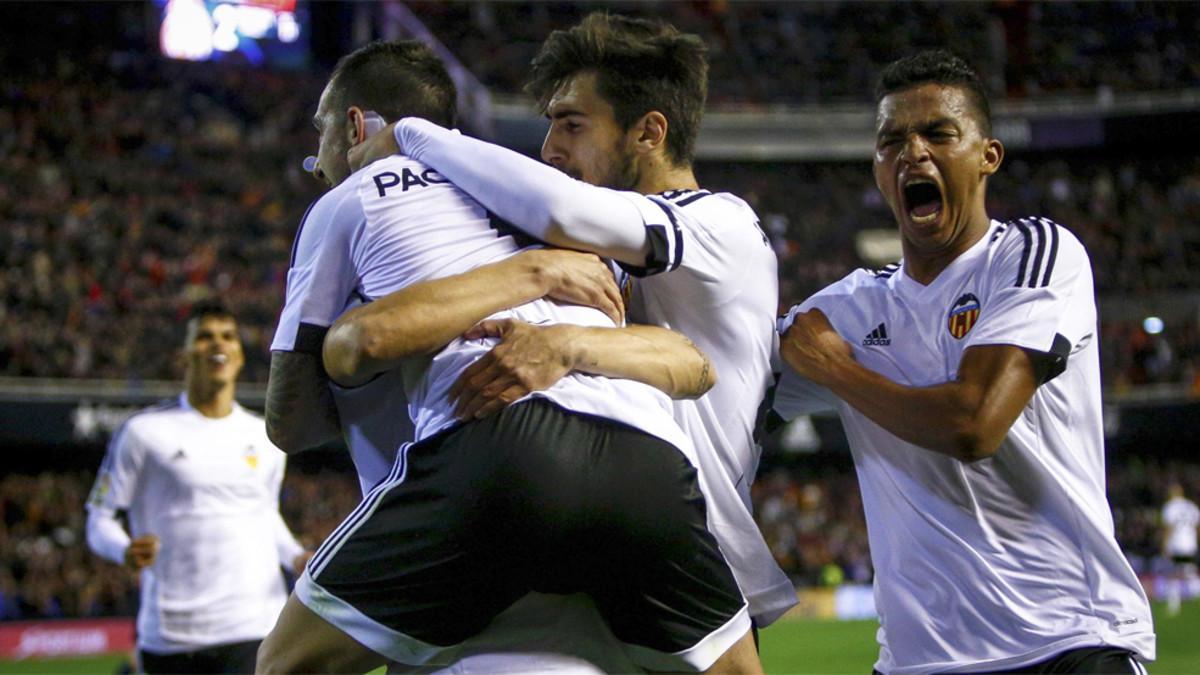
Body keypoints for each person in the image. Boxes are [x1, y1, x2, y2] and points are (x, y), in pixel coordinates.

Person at [256, 39, 759, 674]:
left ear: (354, 126)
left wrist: (350, 365)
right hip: (651, 459)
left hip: (494, 451)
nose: (316, 160)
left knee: (283, 663)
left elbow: (290, 420)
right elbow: (691, 363)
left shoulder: (347, 200)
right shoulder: (558, 203)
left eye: (321, 132)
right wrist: (540, 284)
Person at [342, 10, 796, 633]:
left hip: (696, 560)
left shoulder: (722, 226)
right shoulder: (592, 254)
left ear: (649, 132)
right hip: (609, 544)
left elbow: (557, 207)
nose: (550, 149)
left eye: (572, 125)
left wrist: (414, 134)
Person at [769, 50, 1155, 673]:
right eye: (891, 140)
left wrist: (837, 370)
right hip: (917, 663)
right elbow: (725, 394)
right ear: (875, 168)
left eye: (937, 134)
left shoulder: (1035, 256)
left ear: (987, 156)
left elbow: (973, 423)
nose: (912, 153)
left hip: (1064, 644)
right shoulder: (846, 309)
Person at [85, 300, 309, 674]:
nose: (217, 344)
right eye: (204, 337)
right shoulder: (143, 433)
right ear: (184, 355)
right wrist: (123, 548)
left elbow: (264, 514)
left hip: (254, 628)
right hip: (171, 637)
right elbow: (99, 518)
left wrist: (296, 556)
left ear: (238, 355)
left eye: (227, 336)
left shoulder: (265, 436)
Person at [1162, 482, 1199, 617]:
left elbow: (1169, 528)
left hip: (1176, 543)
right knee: (1188, 570)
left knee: (1173, 572)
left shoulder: (1170, 507)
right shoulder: (1191, 506)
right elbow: (1196, 526)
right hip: (1190, 543)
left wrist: (1164, 545)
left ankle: (1174, 602)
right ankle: (1194, 597)